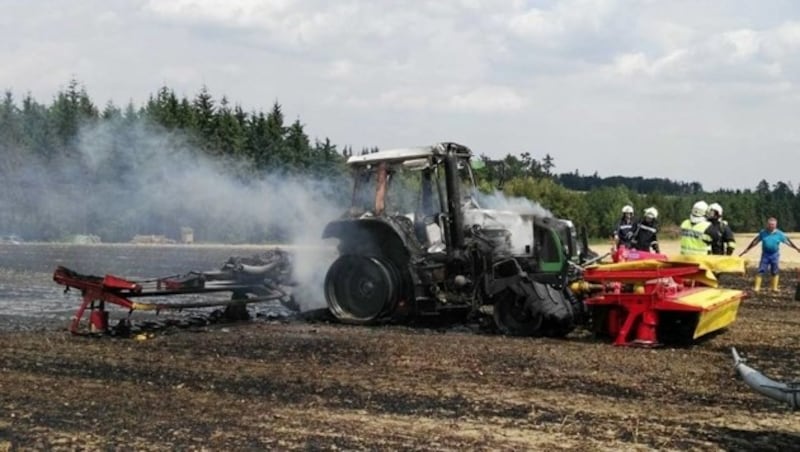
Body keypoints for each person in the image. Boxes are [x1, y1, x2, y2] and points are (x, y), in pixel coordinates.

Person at [739, 217, 800, 292]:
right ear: (767, 225)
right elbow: (755, 241)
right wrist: (747, 249)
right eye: (770, 224)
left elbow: (788, 242)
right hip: (765, 255)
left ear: (776, 225)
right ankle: (757, 287)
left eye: (773, 224)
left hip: (774, 255)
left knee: (775, 270)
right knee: (761, 270)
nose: (771, 226)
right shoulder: (763, 233)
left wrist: (796, 248)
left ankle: (774, 288)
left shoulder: (779, 234)